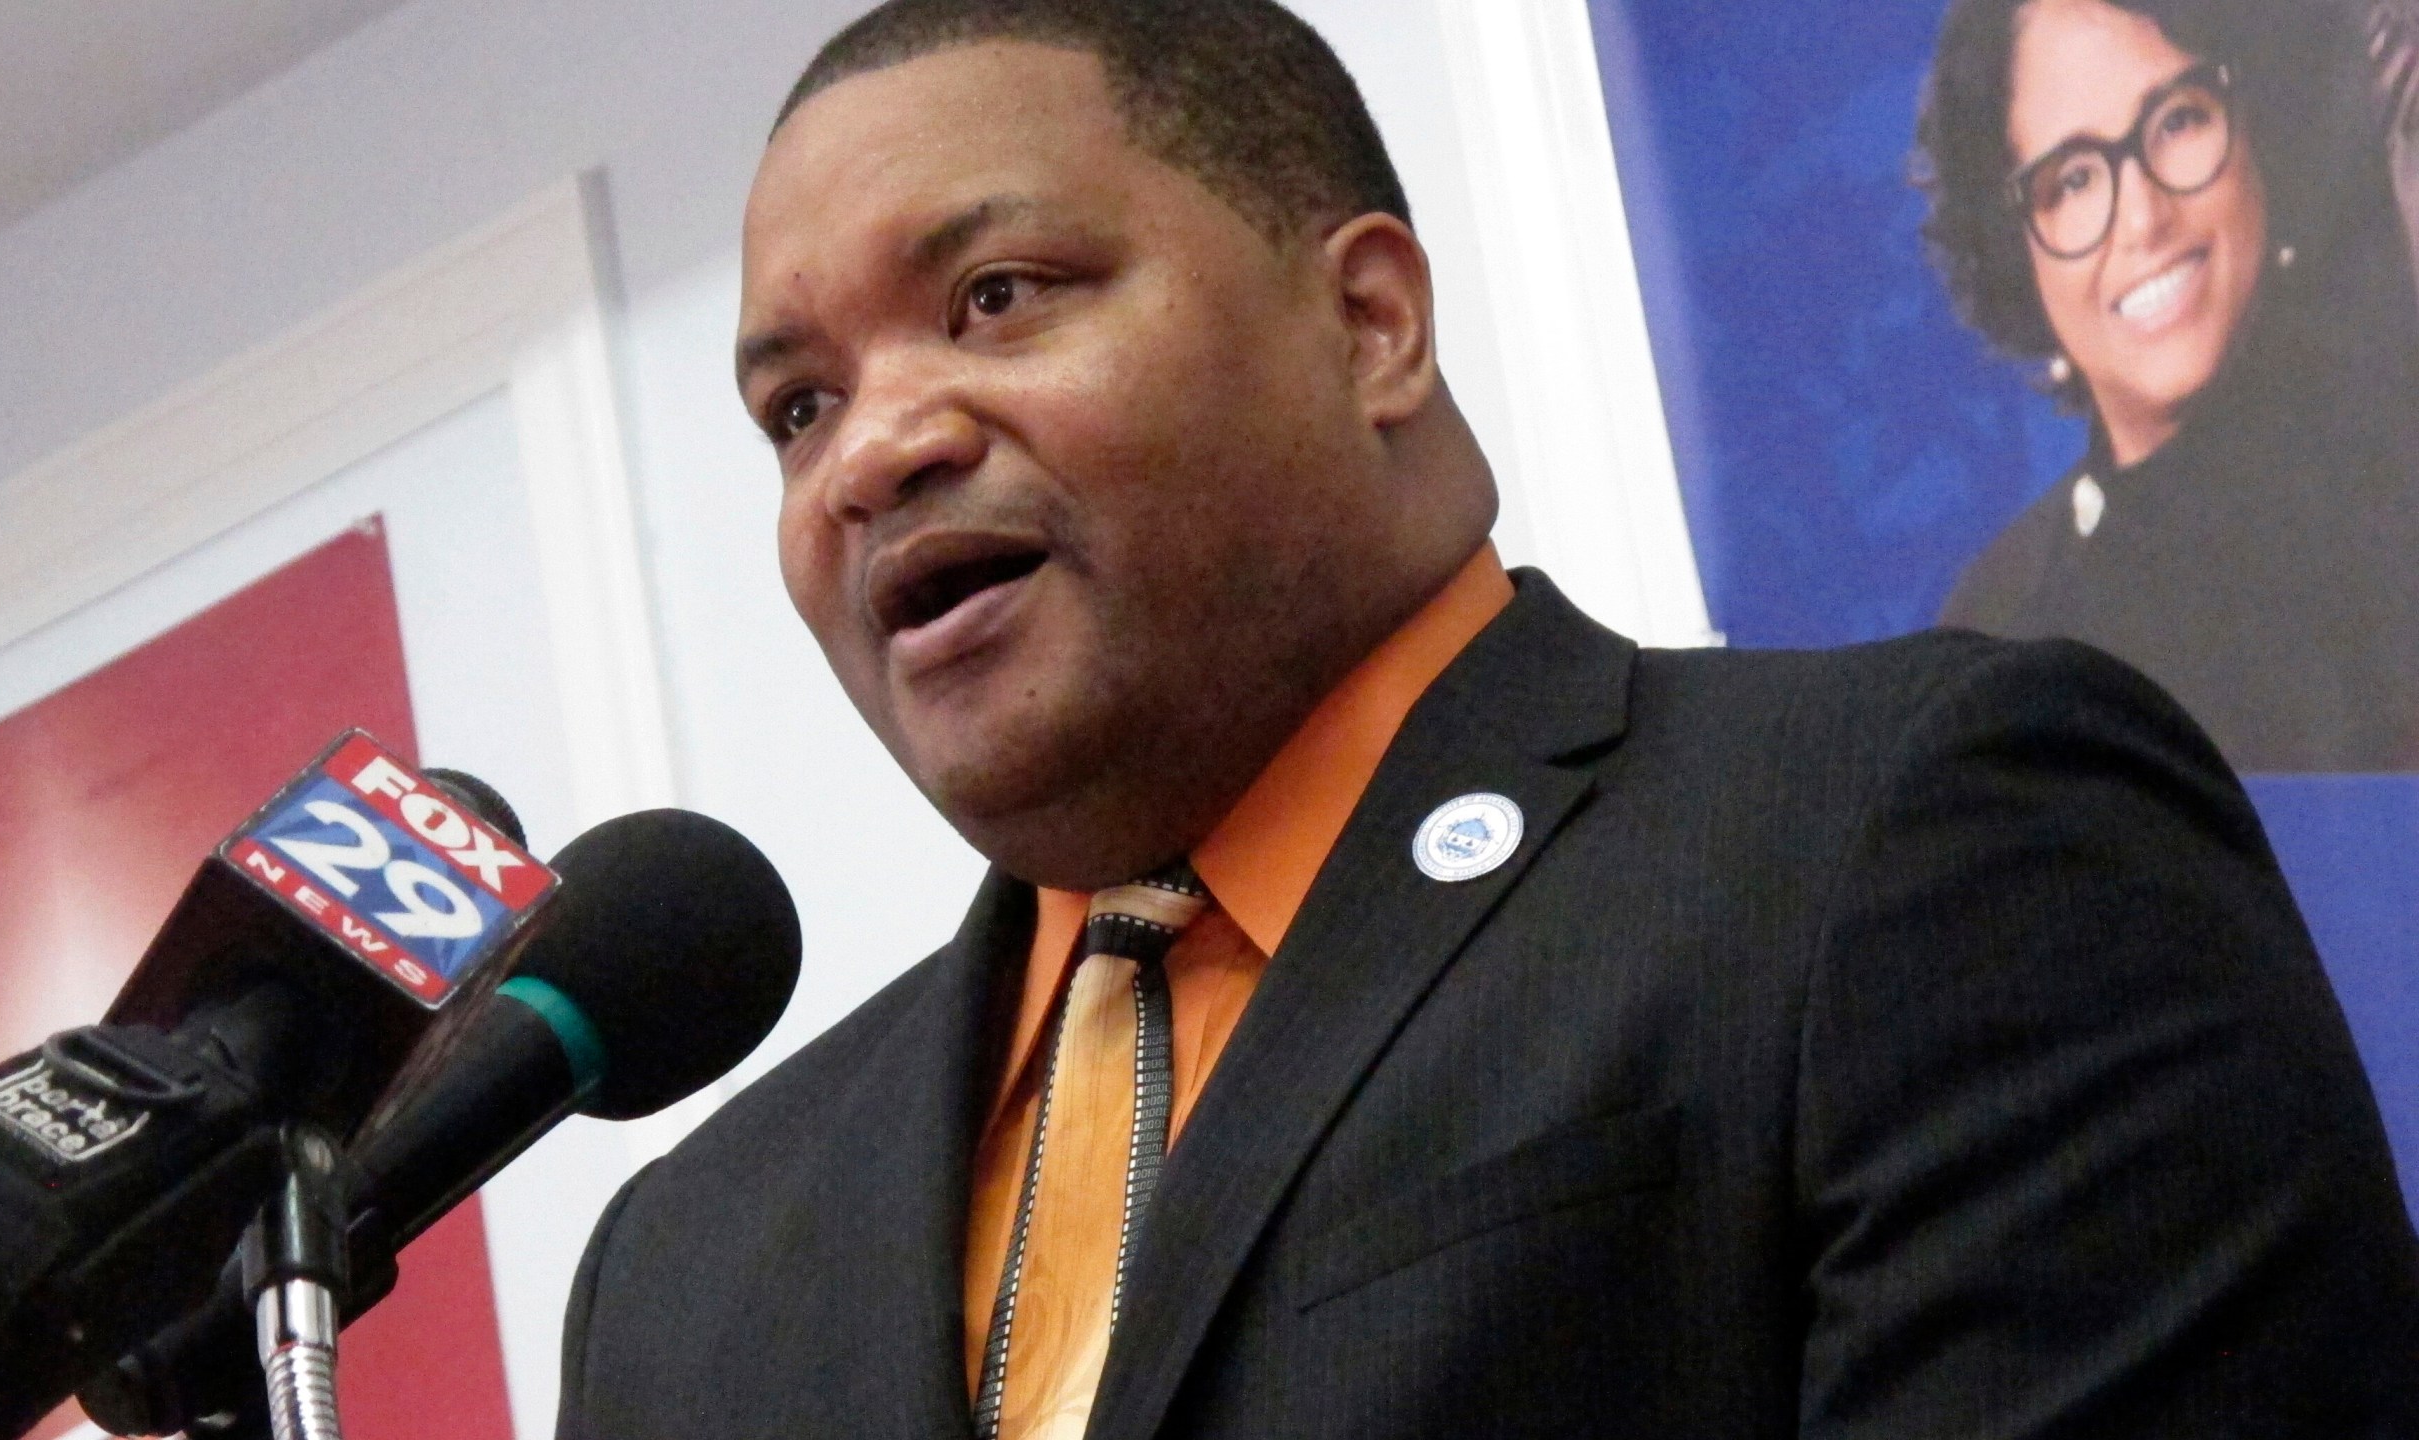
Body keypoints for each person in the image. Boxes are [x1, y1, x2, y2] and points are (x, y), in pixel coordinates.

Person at [558, 1, 2419, 1435]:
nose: (874, 450)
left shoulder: (1921, 840)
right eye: (795, 411)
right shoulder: (690, 1268)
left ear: (1369, 320)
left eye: (997, 295)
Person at [1919, 0, 2419, 770]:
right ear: (2016, 253)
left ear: (2256, 125)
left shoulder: (2395, 482)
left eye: (2179, 121)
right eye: (2075, 179)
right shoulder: (2000, 626)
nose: (2143, 218)